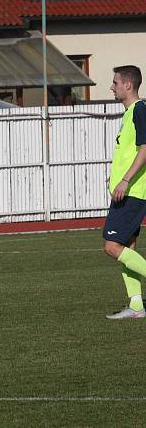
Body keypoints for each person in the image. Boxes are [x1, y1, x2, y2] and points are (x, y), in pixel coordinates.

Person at [103, 65, 146, 320]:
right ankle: (137, 306)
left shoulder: (140, 110)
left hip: (133, 191)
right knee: (128, 246)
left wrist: (126, 180)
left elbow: (145, 148)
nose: (112, 86)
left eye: (115, 82)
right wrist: (117, 176)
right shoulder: (129, 113)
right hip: (127, 189)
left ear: (127, 85)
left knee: (112, 246)